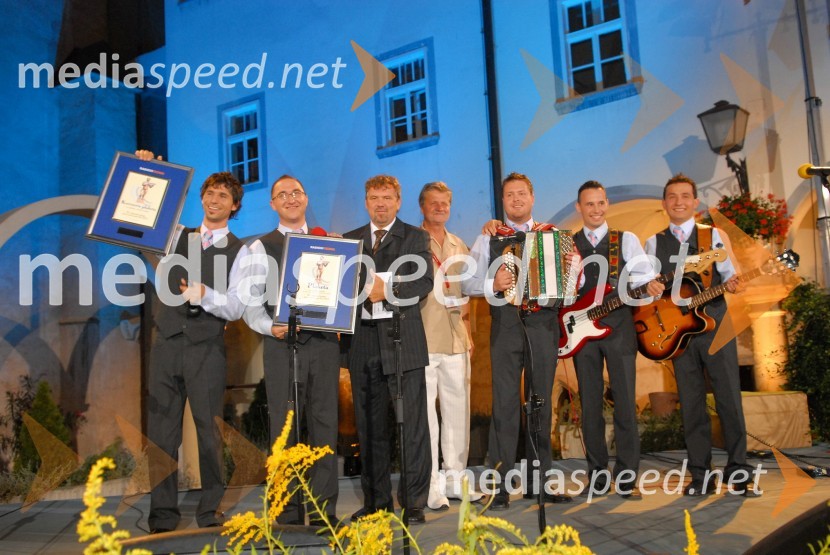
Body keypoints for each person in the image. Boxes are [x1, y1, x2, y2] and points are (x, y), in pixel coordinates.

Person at [139, 149, 245, 533]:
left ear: (234, 206)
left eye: (223, 196)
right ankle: (162, 515)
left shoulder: (242, 250)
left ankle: (209, 510)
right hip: (166, 344)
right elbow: (145, 214)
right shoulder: (176, 236)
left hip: (206, 348)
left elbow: (235, 307)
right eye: (210, 193)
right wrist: (149, 169)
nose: (214, 200)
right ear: (201, 198)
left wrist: (206, 295)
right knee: (161, 434)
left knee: (209, 431)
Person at [462, 172, 572, 510]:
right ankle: (501, 485)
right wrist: (493, 284)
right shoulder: (490, 237)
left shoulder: (554, 236)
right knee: (505, 406)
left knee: (540, 402)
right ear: (504, 200)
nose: (516, 199)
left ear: (533, 197)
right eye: (510, 195)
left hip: (543, 325)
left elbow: (572, 287)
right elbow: (467, 283)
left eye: (522, 193)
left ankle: (541, 484)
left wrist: (568, 269)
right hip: (506, 325)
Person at [644, 173, 756, 496]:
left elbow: (734, 278)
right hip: (679, 334)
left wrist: (735, 283)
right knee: (691, 403)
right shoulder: (654, 242)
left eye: (685, 196)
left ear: (695, 202)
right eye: (672, 197)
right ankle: (700, 474)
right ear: (664, 204)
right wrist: (651, 290)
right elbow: (651, 292)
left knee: (728, 400)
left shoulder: (714, 235)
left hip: (716, 327)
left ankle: (738, 472)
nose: (678, 202)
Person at [240, 175, 340, 525]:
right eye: (282, 194)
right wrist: (271, 327)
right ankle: (286, 512)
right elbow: (250, 304)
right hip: (281, 345)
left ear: (306, 197)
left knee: (325, 426)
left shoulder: (331, 243)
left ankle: (324, 510)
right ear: (272, 204)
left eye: (296, 192)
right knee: (284, 428)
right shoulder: (257, 248)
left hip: (324, 345)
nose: (290, 198)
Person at [341, 175, 434, 525]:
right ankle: (377, 501)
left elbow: (424, 282)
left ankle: (413, 503)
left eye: (387, 197)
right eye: (373, 197)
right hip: (362, 342)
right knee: (369, 427)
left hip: (402, 340)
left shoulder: (415, 236)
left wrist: (388, 288)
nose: (380, 203)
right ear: (366, 202)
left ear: (398, 201)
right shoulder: (350, 241)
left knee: (411, 427)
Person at [570, 181, 664, 498]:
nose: (595, 209)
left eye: (600, 203)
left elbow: (641, 282)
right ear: (578, 208)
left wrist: (649, 289)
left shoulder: (626, 241)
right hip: (584, 332)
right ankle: (597, 475)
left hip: (620, 329)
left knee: (625, 405)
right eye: (589, 204)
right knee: (591, 406)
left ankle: (627, 477)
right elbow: (566, 291)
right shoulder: (568, 245)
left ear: (607, 204)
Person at [417, 182, 480, 510]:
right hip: (424, 338)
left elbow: (467, 292)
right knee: (426, 417)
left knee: (458, 412)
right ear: (422, 207)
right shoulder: (412, 242)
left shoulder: (459, 245)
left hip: (456, 336)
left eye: (445, 203)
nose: (440, 208)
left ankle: (456, 477)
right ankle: (430, 484)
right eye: (433, 203)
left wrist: (468, 332)